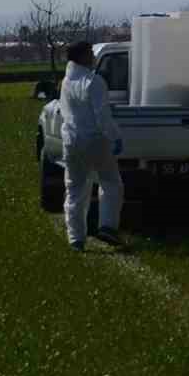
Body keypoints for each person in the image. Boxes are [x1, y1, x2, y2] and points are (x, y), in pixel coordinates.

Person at [57, 40, 124, 251]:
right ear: (84, 56)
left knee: (75, 190)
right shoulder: (94, 81)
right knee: (111, 182)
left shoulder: (66, 82)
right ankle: (107, 226)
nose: (93, 58)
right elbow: (102, 116)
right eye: (90, 54)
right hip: (95, 140)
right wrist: (115, 136)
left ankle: (76, 239)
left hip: (71, 142)